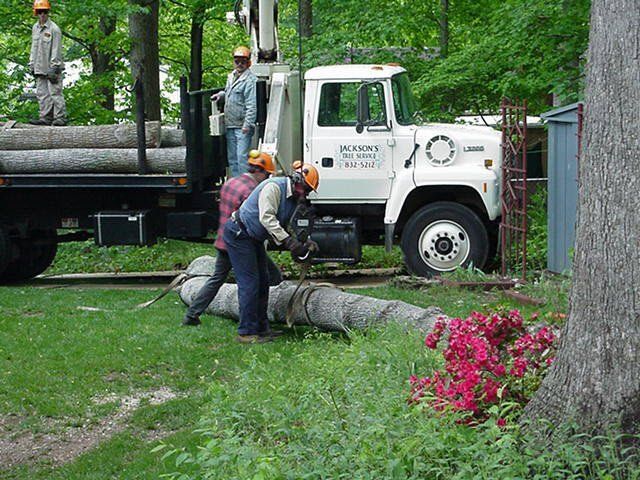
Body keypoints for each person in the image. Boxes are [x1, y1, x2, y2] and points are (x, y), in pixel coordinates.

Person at [223, 163, 320, 344]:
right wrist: (289, 242)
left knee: (263, 280)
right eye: (305, 189)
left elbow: (289, 226)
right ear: (298, 181)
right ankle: (246, 332)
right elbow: (266, 218)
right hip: (239, 234)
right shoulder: (274, 187)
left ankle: (261, 328)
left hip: (253, 238)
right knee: (250, 282)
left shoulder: (293, 199)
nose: (305, 194)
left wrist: (304, 242)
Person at [182, 151, 281, 326]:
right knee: (265, 278)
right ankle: (258, 318)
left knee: (216, 279)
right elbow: (251, 221)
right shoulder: (251, 191)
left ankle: (192, 314)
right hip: (241, 243)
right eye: (267, 174)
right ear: (261, 171)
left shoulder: (231, 182)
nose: (268, 179)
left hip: (223, 240)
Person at [213, 46, 257, 177]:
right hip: (230, 124)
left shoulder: (250, 80)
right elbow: (229, 92)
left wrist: (247, 124)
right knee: (232, 158)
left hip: (241, 126)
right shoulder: (231, 76)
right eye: (237, 61)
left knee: (242, 157)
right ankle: (237, 184)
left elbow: (252, 104)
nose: (239, 64)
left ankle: (245, 187)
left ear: (248, 62)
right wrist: (220, 95)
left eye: (243, 61)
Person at [28, 0, 67, 127]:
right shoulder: (35, 28)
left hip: (51, 67)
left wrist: (54, 67)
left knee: (55, 93)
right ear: (36, 13)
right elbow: (34, 47)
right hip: (39, 67)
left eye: (45, 11)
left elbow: (56, 49)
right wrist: (32, 64)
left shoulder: (54, 29)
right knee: (42, 94)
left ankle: (59, 118)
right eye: (40, 12)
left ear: (48, 12)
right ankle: (45, 117)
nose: (43, 14)